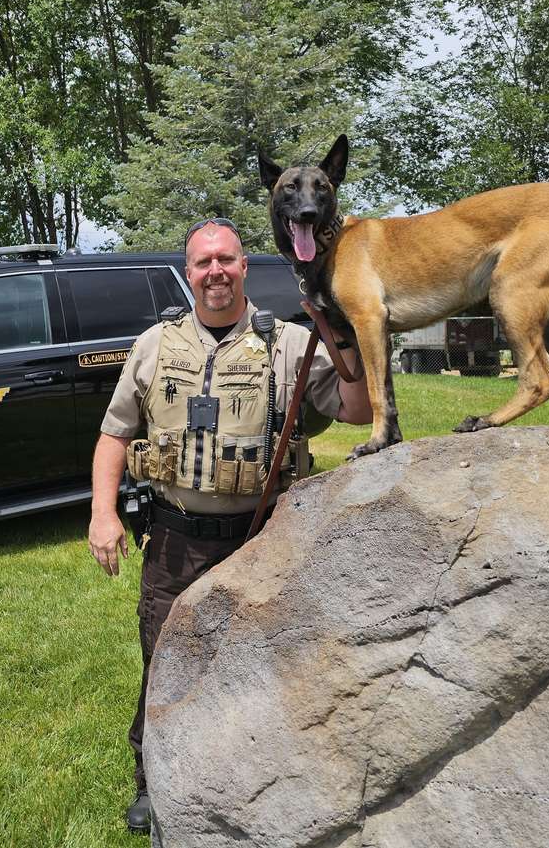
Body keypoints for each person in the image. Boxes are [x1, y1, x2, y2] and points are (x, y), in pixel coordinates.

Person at [87, 218, 372, 835]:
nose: (215, 271)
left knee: (264, 663)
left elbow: (358, 410)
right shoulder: (155, 345)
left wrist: (340, 329)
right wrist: (103, 513)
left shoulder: (289, 343)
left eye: (226, 260)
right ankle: (154, 781)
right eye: (202, 262)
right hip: (173, 540)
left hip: (263, 538)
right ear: (188, 273)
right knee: (165, 663)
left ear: (244, 267)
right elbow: (115, 432)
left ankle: (259, 773)